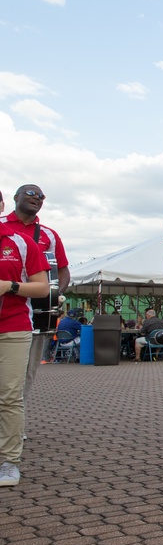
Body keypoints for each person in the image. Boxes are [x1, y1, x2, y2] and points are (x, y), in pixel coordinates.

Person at [0, 187, 52, 487]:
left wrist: (10, 286)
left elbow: (43, 287)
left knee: (9, 395)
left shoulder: (19, 241)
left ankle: (9, 460)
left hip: (12, 326)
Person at [2, 185, 70, 407]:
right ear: (15, 198)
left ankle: (14, 425)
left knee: (26, 374)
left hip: (37, 314)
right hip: (7, 310)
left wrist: (53, 297)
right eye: (30, 194)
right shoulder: (2, 226)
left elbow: (63, 270)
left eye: (41, 196)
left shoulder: (49, 234)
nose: (37, 198)